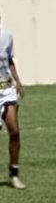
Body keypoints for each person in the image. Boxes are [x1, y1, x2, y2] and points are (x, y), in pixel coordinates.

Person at [0, 16, 25, 189]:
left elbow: (9, 60)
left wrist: (18, 82)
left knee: (14, 131)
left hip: (7, 88)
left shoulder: (7, 36)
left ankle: (14, 174)